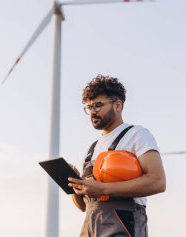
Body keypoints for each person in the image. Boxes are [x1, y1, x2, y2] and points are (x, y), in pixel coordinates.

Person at [68, 75, 166, 237]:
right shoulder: (92, 149)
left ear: (118, 105)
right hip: (90, 226)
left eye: (98, 105)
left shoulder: (137, 135)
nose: (93, 111)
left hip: (124, 223)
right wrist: (75, 186)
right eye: (89, 107)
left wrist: (103, 188)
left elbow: (158, 182)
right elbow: (83, 207)